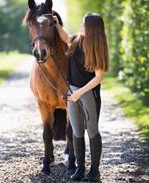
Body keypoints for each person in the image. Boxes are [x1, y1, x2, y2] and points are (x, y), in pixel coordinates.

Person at [53, 13, 109, 182]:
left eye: (84, 24)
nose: (81, 26)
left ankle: (94, 172)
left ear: (92, 28)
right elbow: (65, 37)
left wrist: (79, 93)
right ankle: (80, 169)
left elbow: (98, 77)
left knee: (92, 131)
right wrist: (56, 25)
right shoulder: (77, 40)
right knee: (76, 131)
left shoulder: (97, 47)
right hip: (73, 92)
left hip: (88, 93)